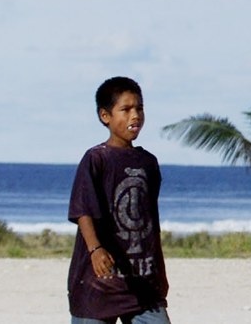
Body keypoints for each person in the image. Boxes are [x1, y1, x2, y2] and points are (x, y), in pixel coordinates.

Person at [68, 76, 171, 324]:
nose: (135, 115)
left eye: (139, 108)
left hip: (143, 282)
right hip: (99, 284)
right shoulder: (96, 159)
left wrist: (160, 269)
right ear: (106, 116)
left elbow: (149, 220)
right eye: (125, 110)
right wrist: (95, 249)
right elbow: (83, 209)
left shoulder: (148, 162)